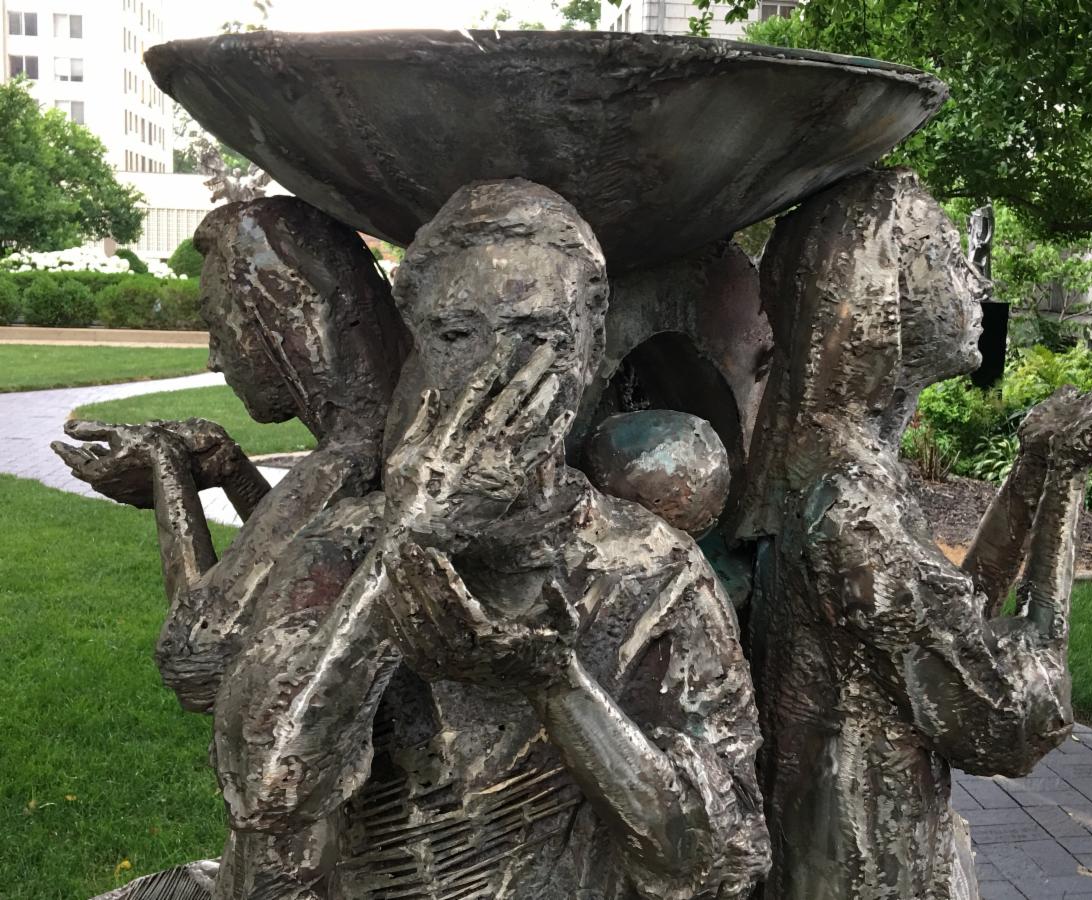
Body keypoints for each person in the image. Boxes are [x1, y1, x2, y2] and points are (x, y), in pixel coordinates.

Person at [209, 179, 770, 899]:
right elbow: (264, 793)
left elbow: (716, 859)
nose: (496, 372)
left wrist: (557, 686)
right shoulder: (347, 545)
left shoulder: (651, 571)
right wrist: (414, 539)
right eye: (456, 336)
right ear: (420, 349)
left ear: (588, 353)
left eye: (538, 338)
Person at [737, 168, 1092, 900]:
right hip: (866, 864)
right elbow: (1011, 719)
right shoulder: (855, 508)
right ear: (881, 292)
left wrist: (1034, 465)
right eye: (950, 258)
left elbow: (956, 613)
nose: (976, 280)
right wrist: (1069, 476)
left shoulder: (830, 466)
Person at [53, 196, 407, 714]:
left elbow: (196, 658)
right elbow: (292, 561)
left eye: (221, 331)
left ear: (282, 330)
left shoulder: (347, 462)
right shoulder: (380, 432)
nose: (215, 359)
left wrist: (165, 466)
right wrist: (232, 470)